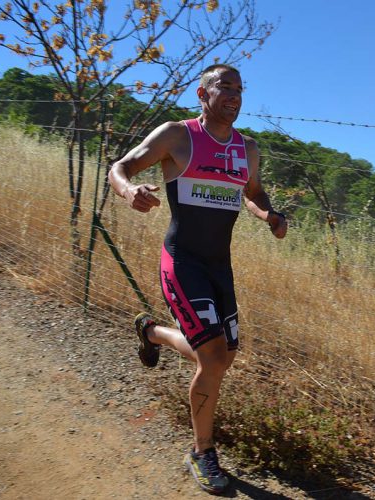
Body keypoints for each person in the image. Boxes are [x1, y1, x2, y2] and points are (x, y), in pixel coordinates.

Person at [108, 63, 287, 495]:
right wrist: (130, 191)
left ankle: (152, 334)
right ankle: (201, 451)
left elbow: (253, 193)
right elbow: (122, 167)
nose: (234, 95)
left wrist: (269, 215)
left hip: (218, 266)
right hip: (182, 260)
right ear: (202, 94)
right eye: (224, 87)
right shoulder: (178, 135)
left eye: (239, 89)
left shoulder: (248, 149)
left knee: (222, 357)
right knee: (211, 358)